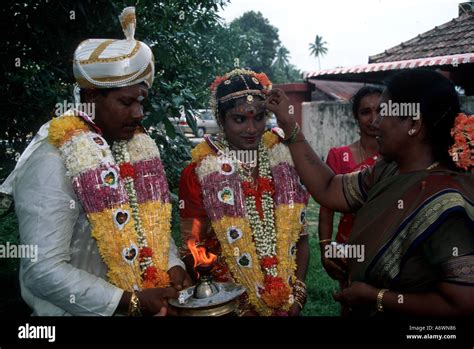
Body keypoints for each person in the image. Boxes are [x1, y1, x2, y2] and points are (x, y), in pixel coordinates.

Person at [2, 7, 190, 316]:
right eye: (126, 102)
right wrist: (127, 302)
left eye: (141, 102)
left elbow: (149, 224)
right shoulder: (51, 161)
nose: (138, 114)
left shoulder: (130, 150)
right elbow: (42, 270)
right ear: (91, 97)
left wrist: (173, 266)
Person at [264, 69, 473, 317]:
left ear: (414, 124)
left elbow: (463, 303)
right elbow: (330, 188)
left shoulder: (447, 205)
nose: (375, 123)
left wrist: (377, 297)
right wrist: (290, 127)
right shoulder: (389, 169)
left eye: (384, 113)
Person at [179, 68, 310, 316]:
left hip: (286, 301)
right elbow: (192, 248)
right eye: (239, 119)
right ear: (221, 119)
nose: (251, 129)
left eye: (259, 118)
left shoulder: (283, 161)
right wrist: (237, 304)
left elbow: (301, 238)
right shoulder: (199, 173)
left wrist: (298, 295)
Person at [319, 86, 382, 286]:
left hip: (388, 242)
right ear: (355, 116)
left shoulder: (399, 157)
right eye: (365, 112)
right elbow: (326, 209)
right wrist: (325, 249)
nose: (374, 119)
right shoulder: (339, 156)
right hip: (348, 246)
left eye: (381, 111)